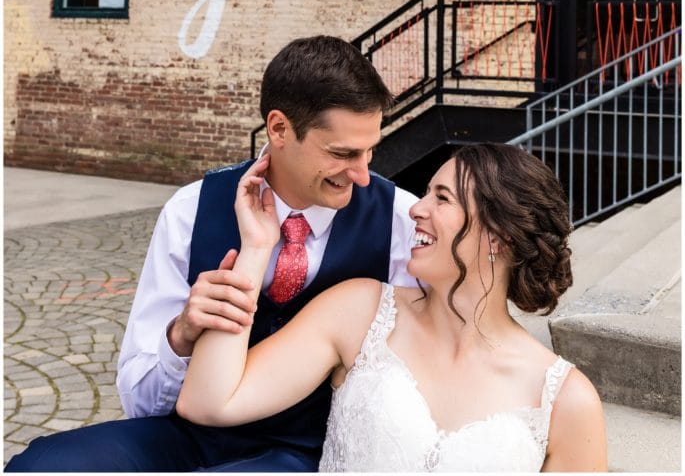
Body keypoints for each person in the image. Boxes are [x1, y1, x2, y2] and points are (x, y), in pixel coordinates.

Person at [6, 36, 418, 473]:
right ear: (278, 129)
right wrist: (181, 335)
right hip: (187, 436)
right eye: (342, 153)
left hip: (309, 451)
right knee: (45, 465)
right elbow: (139, 402)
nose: (363, 174)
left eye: (369, 150)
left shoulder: (404, 221)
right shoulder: (190, 210)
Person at [176, 143, 608, 473]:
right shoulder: (359, 311)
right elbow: (210, 401)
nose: (416, 210)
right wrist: (255, 250)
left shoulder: (567, 400)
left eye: (442, 198)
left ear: (499, 236)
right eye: (425, 194)